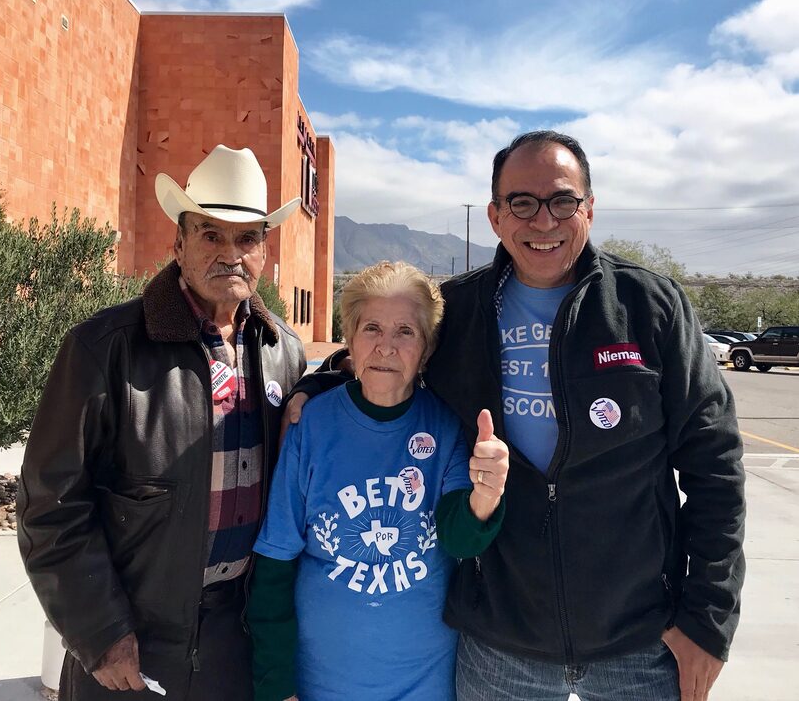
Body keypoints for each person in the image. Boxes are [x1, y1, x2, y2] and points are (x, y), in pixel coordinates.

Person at [285, 132, 746, 701]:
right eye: (522, 203)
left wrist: (708, 617)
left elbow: (715, 468)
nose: (543, 221)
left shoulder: (649, 308)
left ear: (590, 209)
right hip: (501, 642)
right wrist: (321, 380)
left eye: (562, 201)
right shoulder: (459, 312)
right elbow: (387, 350)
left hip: (640, 641)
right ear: (497, 217)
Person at [17, 145, 307, 701]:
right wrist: (99, 632)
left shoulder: (283, 353)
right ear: (178, 243)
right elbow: (49, 505)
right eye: (210, 234)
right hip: (130, 646)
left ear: (265, 251)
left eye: (247, 237)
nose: (231, 253)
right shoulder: (104, 349)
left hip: (237, 644)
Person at [247, 261, 510, 701]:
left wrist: (486, 495)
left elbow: (460, 539)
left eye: (405, 331)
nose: (386, 347)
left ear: (426, 349)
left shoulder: (444, 426)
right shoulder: (311, 424)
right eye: (372, 328)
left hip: (424, 684)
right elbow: (275, 563)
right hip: (320, 684)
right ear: (349, 339)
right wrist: (277, 684)